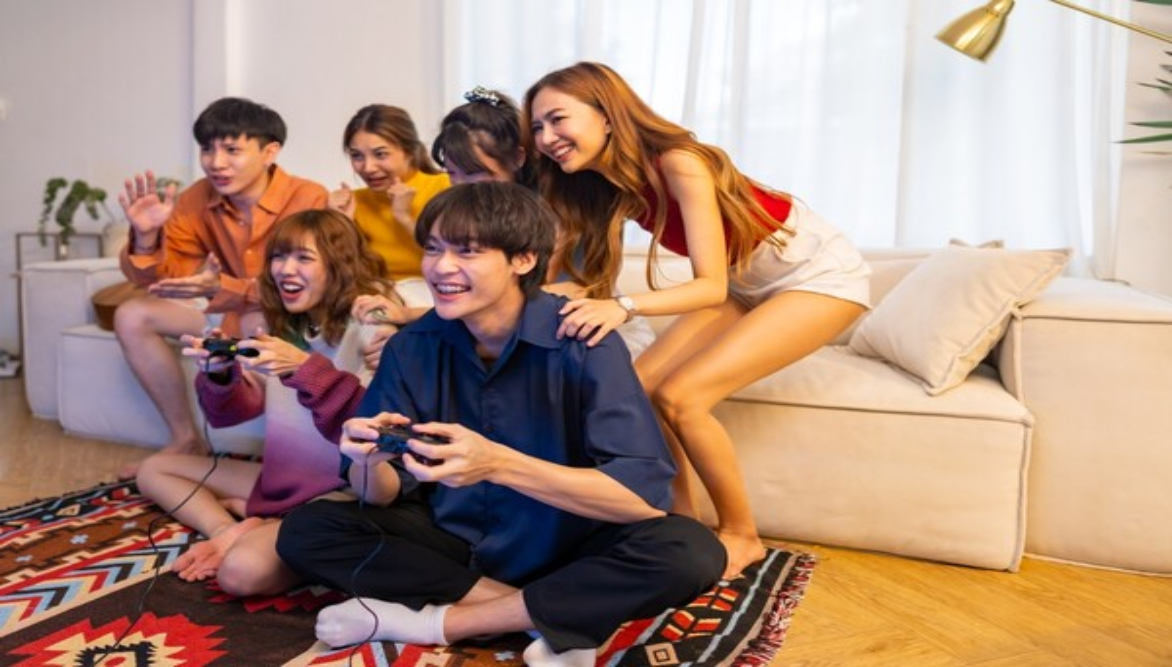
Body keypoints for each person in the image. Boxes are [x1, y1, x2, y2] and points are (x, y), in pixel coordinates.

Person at [275, 183, 724, 666]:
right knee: (308, 529)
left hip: (571, 541)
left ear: (524, 259)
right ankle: (548, 617)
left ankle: (439, 623)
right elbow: (380, 495)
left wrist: (498, 464)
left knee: (692, 551)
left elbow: (639, 499)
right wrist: (368, 461)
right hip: (453, 538)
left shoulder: (584, 340)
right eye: (433, 249)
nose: (441, 267)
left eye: (467, 252)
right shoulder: (412, 345)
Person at [523, 62, 872, 578]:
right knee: (639, 389)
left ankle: (742, 536)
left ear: (607, 115)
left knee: (681, 398)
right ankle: (679, 524)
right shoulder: (610, 184)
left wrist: (623, 307)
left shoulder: (680, 163)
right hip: (744, 285)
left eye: (557, 119)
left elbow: (709, 288)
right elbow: (582, 274)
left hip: (817, 278)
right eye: (537, 127)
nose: (546, 138)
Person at [135, 208, 397, 597]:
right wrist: (221, 375)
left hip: (342, 493)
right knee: (154, 469)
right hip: (280, 480)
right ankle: (228, 528)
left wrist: (303, 368)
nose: (285, 269)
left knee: (240, 575)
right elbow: (232, 414)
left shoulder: (372, 325)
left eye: (303, 258)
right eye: (278, 256)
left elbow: (372, 428)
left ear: (339, 264)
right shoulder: (283, 323)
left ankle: (266, 527)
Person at [115, 97, 328, 475]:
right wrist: (146, 238)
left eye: (231, 150)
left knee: (254, 323)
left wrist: (222, 289)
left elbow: (305, 287)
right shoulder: (197, 198)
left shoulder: (307, 197)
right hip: (228, 311)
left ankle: (291, 463)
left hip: (288, 317)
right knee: (132, 315)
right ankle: (185, 439)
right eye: (207, 149)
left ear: (269, 152)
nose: (216, 162)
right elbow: (164, 279)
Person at [424, 86, 655, 359]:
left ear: (518, 158)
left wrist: (415, 317)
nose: (462, 186)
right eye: (452, 173)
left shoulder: (558, 210)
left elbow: (554, 297)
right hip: (514, 325)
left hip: (586, 324)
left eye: (475, 172)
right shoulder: (472, 211)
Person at [328, 104, 450, 311]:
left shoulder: (444, 186)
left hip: (439, 296)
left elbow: (453, 258)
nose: (368, 168)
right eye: (357, 156)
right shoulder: (353, 203)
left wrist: (405, 218)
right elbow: (346, 279)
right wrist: (342, 224)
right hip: (382, 299)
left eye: (380, 154)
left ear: (409, 151)